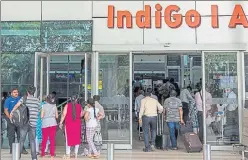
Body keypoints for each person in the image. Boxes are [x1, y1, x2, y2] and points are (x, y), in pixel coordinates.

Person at [11, 86, 40, 160]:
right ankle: (34, 158)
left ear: (27, 92)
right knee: (32, 141)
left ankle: (18, 156)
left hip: (24, 123)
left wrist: (12, 112)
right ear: (34, 92)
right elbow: (39, 110)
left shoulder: (24, 98)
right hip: (33, 123)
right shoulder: (37, 100)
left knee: (21, 140)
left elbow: (17, 105)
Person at [4, 88, 28, 154]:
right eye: (14, 92)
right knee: (11, 136)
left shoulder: (20, 99)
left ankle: (22, 149)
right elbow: (6, 110)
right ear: (11, 93)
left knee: (20, 135)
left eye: (17, 92)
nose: (16, 93)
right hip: (11, 120)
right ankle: (12, 150)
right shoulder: (8, 100)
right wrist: (9, 118)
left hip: (19, 120)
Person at [40, 94, 58, 159]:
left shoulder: (43, 106)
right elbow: (57, 116)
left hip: (45, 123)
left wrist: (44, 117)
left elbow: (41, 116)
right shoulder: (54, 106)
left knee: (44, 139)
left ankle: (42, 154)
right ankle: (52, 155)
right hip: (53, 123)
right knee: (52, 140)